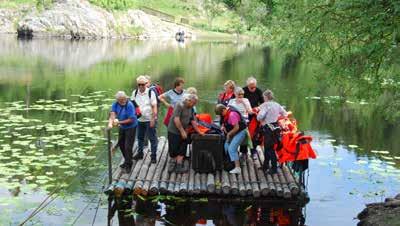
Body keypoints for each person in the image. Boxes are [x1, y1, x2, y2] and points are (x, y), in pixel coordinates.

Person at [167, 94, 203, 173]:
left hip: (185, 130)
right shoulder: (179, 105)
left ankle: (179, 166)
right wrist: (182, 131)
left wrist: (199, 131)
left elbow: (192, 120)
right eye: (193, 103)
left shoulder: (191, 108)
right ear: (188, 100)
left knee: (183, 147)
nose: (194, 105)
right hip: (174, 130)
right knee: (173, 148)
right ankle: (172, 163)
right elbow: (176, 119)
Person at [257, 90, 287, 175]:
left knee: (269, 149)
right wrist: (276, 116)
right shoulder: (277, 104)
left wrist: (260, 116)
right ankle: (265, 166)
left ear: (265, 97)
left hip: (268, 129)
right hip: (276, 128)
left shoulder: (265, 105)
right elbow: (285, 114)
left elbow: (260, 117)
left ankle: (274, 169)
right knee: (267, 148)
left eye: (263, 97)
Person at [108, 91, 138, 173]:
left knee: (128, 146)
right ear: (117, 100)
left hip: (131, 127)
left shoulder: (129, 105)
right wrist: (112, 120)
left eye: (124, 99)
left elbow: (131, 119)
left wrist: (118, 122)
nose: (123, 101)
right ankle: (127, 160)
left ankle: (129, 165)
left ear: (126, 98)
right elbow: (113, 113)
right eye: (121, 100)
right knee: (121, 144)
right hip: (122, 127)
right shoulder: (115, 104)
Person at [131, 76, 158, 163]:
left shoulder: (151, 92)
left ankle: (153, 156)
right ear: (137, 84)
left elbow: (154, 106)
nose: (141, 86)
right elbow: (133, 105)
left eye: (143, 84)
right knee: (140, 138)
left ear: (146, 84)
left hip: (149, 119)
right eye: (139, 84)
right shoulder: (134, 93)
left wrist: (153, 119)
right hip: (139, 120)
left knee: (152, 138)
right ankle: (140, 154)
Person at [215, 104, 247, 174]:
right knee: (226, 146)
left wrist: (229, 134)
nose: (221, 116)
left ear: (224, 110)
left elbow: (237, 128)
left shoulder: (232, 115)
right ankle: (231, 162)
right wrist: (223, 127)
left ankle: (237, 168)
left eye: (221, 114)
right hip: (233, 132)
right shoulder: (226, 111)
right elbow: (225, 122)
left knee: (231, 148)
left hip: (240, 131)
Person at [243, 77, 264, 160]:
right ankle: (243, 152)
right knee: (244, 133)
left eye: (254, 87)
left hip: (255, 115)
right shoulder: (243, 91)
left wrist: (258, 108)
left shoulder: (259, 91)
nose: (253, 89)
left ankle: (253, 151)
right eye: (251, 87)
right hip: (244, 115)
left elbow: (263, 103)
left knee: (254, 134)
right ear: (247, 85)